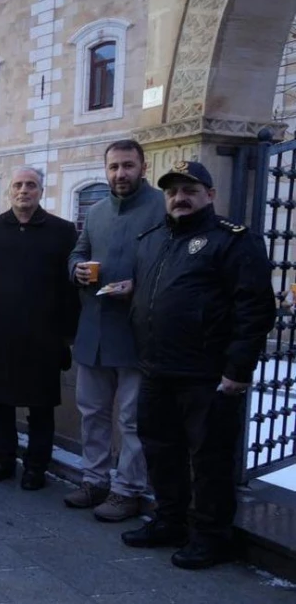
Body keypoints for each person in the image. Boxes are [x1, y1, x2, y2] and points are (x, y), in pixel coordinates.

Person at [122, 161, 274, 570]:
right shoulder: (152, 239)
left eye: (190, 189)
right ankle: (169, 520)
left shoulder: (233, 241)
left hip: (206, 375)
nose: (179, 198)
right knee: (161, 452)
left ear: (209, 195)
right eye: (172, 191)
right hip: (157, 369)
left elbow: (255, 308)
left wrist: (238, 370)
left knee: (209, 459)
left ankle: (211, 536)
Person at [65, 139, 166, 521]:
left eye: (127, 165)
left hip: (137, 332)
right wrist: (74, 270)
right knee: (91, 412)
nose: (120, 174)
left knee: (131, 419)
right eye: (113, 167)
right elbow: (79, 251)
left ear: (143, 167)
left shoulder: (161, 207)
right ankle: (94, 481)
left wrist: (137, 288)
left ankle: (128, 490)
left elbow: (170, 264)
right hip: (94, 330)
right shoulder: (96, 211)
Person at [0, 167, 79, 491]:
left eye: (30, 185)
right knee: (1, 406)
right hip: (0, 334)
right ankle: (3, 461)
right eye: (17, 185)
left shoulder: (63, 231)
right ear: (9, 192)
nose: (23, 191)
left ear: (40, 191)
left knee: (41, 407)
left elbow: (70, 288)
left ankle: (36, 468)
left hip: (43, 336)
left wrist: (67, 334)